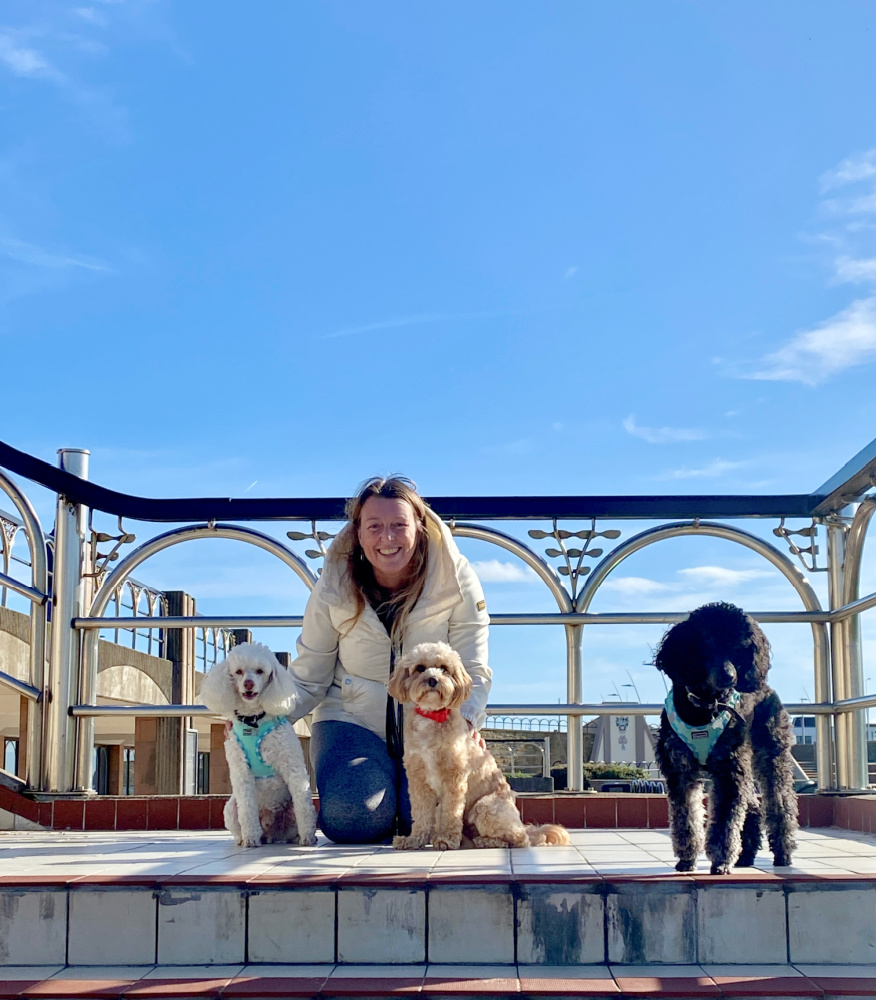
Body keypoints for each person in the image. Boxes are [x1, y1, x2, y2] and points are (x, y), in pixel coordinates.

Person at [286, 475, 492, 843]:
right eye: (375, 526)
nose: (388, 538)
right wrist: (258, 720)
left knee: (430, 824)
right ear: (358, 532)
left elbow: (472, 669)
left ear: (419, 526)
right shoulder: (333, 584)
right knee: (355, 817)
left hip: (435, 725)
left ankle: (400, 802)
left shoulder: (455, 577)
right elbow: (309, 675)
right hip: (351, 721)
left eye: (399, 525)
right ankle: (378, 796)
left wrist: (467, 722)